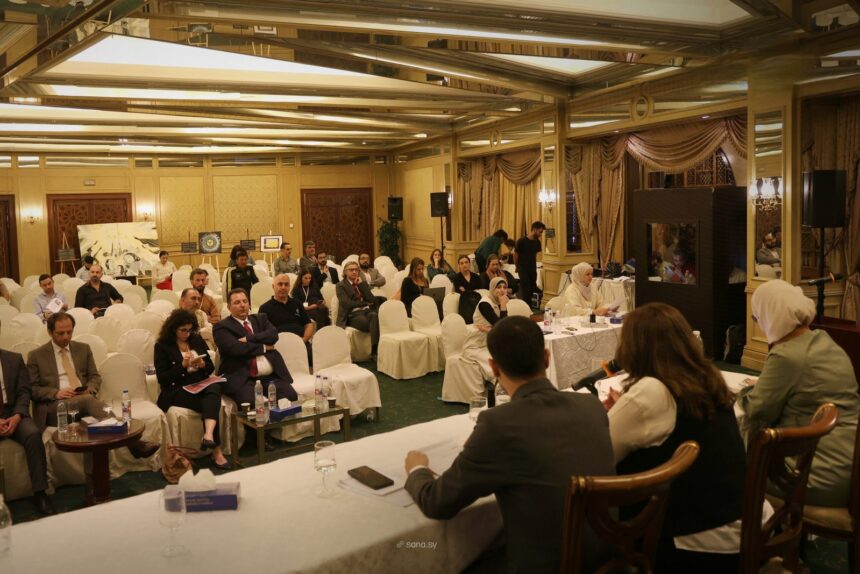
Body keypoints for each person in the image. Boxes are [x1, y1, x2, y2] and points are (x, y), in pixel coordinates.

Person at [404, 316, 614, 573]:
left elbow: (438, 502)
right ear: (547, 358)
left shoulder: (498, 425)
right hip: (609, 558)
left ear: (493, 367)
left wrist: (417, 469)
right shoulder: (591, 405)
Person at [606, 302, 747, 573]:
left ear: (634, 347)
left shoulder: (651, 390)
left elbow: (601, 453)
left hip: (698, 539)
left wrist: (623, 410)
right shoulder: (708, 377)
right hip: (743, 520)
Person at [738, 280, 860, 507]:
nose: (759, 325)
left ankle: (749, 527)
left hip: (816, 475)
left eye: (757, 318)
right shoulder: (825, 341)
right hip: (850, 466)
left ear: (769, 315)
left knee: (729, 463)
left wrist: (743, 392)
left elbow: (756, 409)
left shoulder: (786, 356)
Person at [27, 312, 158, 456]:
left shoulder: (82, 349)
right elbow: (32, 389)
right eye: (60, 333)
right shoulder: (36, 355)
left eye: (69, 332)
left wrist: (89, 389)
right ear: (50, 332)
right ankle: (134, 444)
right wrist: (56, 393)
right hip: (55, 406)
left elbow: (95, 377)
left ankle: (108, 461)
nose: (66, 337)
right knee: (90, 401)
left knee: (90, 403)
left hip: (82, 399)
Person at [155, 309, 229, 470]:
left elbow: (210, 366)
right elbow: (163, 379)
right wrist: (182, 366)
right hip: (176, 390)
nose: (187, 334)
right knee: (210, 402)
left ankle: (208, 435)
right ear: (173, 329)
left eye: (190, 330)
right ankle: (216, 451)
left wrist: (202, 364)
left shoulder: (195, 339)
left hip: (198, 384)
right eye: (183, 330)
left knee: (214, 386)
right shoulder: (162, 346)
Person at [213, 289, 297, 409]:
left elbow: (273, 335)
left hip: (269, 377)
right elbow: (235, 349)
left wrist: (249, 338)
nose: (242, 305)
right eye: (237, 302)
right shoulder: (221, 327)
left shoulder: (260, 318)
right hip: (243, 379)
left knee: (291, 396)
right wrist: (264, 347)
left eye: (245, 301)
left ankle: (277, 420)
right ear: (229, 307)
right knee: (250, 404)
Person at [0, 337, 55, 515]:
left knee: (33, 434)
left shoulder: (14, 359)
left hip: (13, 412)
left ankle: (40, 493)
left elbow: (24, 392)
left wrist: (17, 415)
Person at [260, 274, 314, 366]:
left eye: (286, 284)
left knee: (314, 359)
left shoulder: (297, 304)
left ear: (289, 286)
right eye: (280, 284)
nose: (283, 287)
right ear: (273, 286)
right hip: (279, 347)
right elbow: (262, 334)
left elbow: (309, 324)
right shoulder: (265, 308)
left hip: (301, 343)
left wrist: (304, 339)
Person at [462, 276, 508, 380]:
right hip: (476, 345)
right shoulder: (485, 304)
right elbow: (501, 328)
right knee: (497, 367)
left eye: (504, 287)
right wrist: (503, 306)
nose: (502, 290)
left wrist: (489, 330)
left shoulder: (499, 302)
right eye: (498, 287)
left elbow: (504, 327)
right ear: (492, 288)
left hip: (490, 342)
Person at [335, 261, 379, 353]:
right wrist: (364, 303)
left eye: (356, 270)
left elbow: (371, 300)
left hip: (366, 312)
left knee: (374, 316)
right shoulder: (340, 285)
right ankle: (375, 350)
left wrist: (361, 285)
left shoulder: (361, 283)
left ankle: (375, 349)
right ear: (345, 272)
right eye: (351, 270)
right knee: (373, 322)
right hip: (351, 315)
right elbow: (347, 303)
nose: (354, 272)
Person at [515, 221, 545, 308]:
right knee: (526, 290)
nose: (540, 234)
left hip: (532, 268)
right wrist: (517, 266)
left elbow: (534, 254)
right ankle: (527, 309)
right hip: (522, 268)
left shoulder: (537, 242)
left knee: (532, 288)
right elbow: (515, 254)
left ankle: (529, 307)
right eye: (540, 232)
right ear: (534, 229)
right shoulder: (521, 241)